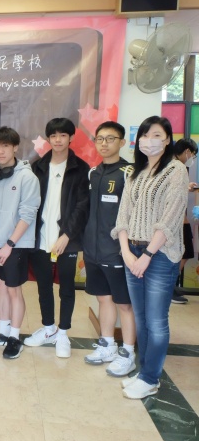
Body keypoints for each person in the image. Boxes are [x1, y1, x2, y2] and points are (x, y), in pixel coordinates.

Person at [113, 116, 188, 399]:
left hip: (160, 255)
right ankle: (145, 371)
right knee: (141, 318)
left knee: (156, 321)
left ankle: (150, 378)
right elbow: (123, 216)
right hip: (132, 252)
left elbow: (170, 218)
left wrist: (146, 254)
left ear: (168, 140)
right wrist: (126, 252)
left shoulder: (175, 170)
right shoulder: (136, 172)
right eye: (145, 135)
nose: (149, 140)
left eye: (156, 135)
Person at [25, 118, 90, 358]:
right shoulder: (38, 167)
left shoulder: (81, 168)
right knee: (43, 286)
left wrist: (67, 235)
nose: (58, 140)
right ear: (48, 139)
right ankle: (49, 328)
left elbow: (82, 206)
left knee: (66, 288)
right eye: (53, 136)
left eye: (63, 135)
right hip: (40, 237)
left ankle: (63, 333)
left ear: (71, 138)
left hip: (67, 240)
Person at [82, 122, 137, 377]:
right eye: (100, 139)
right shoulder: (93, 172)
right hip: (93, 250)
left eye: (110, 138)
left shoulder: (129, 173)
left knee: (124, 303)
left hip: (117, 250)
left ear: (122, 142)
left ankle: (128, 353)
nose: (104, 143)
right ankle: (107, 345)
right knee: (103, 298)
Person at [0, 127, 40, 359]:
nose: (0, 151)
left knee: (14, 289)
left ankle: (15, 337)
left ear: (15, 147)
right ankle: (3, 331)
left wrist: (9, 244)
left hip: (16, 244)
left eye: (5, 146)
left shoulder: (27, 177)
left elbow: (28, 213)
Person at [171, 138, 198, 304]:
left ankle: (170, 287)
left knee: (183, 253)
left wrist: (186, 187)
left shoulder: (174, 165)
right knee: (184, 253)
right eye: (193, 154)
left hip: (180, 219)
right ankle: (169, 288)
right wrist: (186, 188)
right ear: (187, 151)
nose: (192, 158)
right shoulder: (177, 167)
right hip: (177, 221)